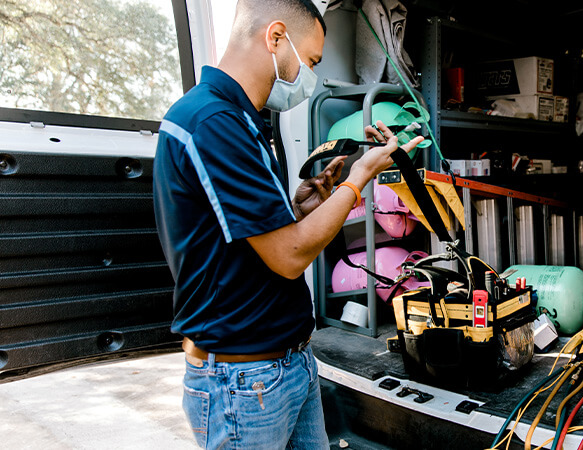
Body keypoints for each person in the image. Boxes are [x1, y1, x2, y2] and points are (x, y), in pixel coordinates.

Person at [152, 0, 424, 448]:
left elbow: (245, 239)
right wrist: (358, 180)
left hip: (285, 365)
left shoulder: (240, 120)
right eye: (311, 60)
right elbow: (289, 256)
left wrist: (301, 208)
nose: (310, 76)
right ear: (275, 37)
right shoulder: (214, 122)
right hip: (245, 382)